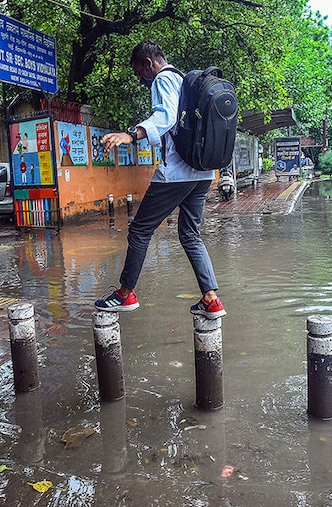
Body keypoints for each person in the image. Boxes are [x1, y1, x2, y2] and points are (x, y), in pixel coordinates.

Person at [94, 39, 226, 319]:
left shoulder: (164, 79)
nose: (141, 79)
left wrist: (129, 135)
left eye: (139, 73)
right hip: (202, 174)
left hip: (176, 174)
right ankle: (211, 300)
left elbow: (164, 117)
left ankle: (125, 294)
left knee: (140, 231)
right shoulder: (185, 80)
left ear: (148, 64)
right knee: (190, 235)